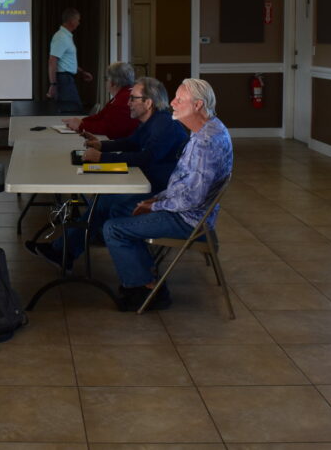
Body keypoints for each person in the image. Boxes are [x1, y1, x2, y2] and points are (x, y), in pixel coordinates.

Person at [28, 76, 187, 268]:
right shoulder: (154, 121)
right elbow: (131, 142)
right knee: (102, 199)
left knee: (106, 203)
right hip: (151, 182)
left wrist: (101, 158)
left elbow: (146, 157)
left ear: (148, 102)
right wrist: (101, 146)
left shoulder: (164, 124)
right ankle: (65, 250)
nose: (128, 103)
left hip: (161, 192)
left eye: (133, 99)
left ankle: (66, 251)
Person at [102, 78, 233, 311]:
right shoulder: (207, 128)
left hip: (188, 220)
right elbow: (185, 183)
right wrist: (157, 199)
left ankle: (144, 290)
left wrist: (154, 206)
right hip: (187, 211)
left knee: (114, 228)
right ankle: (147, 275)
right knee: (121, 208)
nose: (172, 103)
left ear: (198, 105)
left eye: (179, 99)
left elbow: (192, 198)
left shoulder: (206, 142)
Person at [62, 61, 139, 139]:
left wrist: (81, 125)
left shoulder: (122, 99)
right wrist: (81, 121)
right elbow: (101, 116)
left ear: (113, 82)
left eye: (106, 79)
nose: (106, 82)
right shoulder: (124, 94)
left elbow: (107, 128)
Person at [46, 7, 92, 112]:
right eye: (78, 20)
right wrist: (53, 85)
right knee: (72, 110)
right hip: (63, 80)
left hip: (67, 79)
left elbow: (67, 62)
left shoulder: (66, 36)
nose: (78, 23)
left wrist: (82, 72)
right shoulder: (61, 37)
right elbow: (52, 61)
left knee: (72, 109)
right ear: (72, 21)